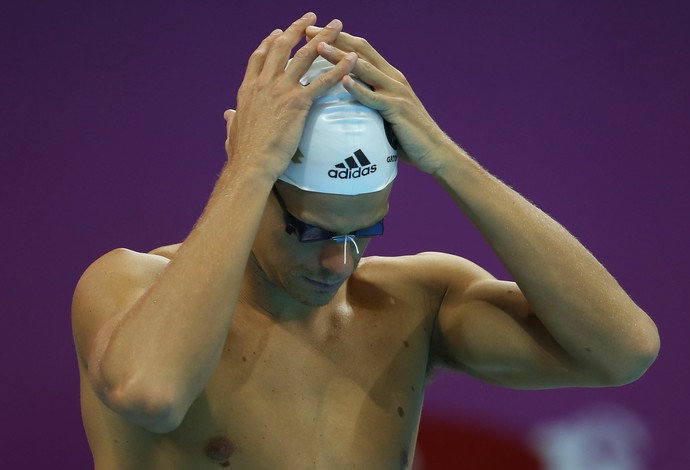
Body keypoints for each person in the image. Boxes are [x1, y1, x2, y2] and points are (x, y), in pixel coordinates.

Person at [71, 12, 659, 469]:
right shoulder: (130, 283)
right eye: (309, 230)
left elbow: (622, 351)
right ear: (252, 179)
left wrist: (447, 159)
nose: (338, 261)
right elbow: (151, 393)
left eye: (365, 231)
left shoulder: (413, 302)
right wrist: (247, 167)